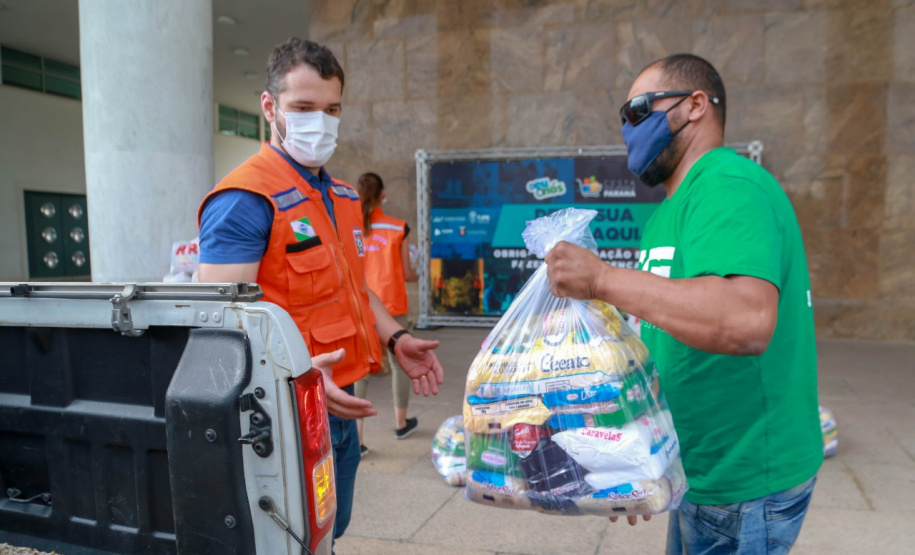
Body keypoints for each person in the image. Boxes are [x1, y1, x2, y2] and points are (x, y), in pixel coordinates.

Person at [545, 53, 822, 554]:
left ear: (696, 105)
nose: (628, 128)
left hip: (743, 486)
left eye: (638, 111)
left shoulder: (728, 183)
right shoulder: (671, 212)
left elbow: (744, 319)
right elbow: (667, 338)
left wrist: (603, 278)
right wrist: (640, 462)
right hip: (697, 473)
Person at [196, 38, 444, 542]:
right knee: (289, 538)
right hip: (278, 412)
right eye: (303, 108)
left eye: (332, 109)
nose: (321, 122)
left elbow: (354, 287)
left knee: (332, 527)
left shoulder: (342, 196)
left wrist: (397, 339)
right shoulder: (245, 198)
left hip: (339, 403)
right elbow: (219, 322)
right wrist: (303, 377)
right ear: (270, 107)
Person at [353, 172, 421, 454]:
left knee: (359, 370)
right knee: (399, 365)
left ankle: (357, 440)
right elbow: (407, 273)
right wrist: (417, 275)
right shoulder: (398, 228)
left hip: (359, 305)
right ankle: (400, 423)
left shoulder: (351, 227)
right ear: (383, 194)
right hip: (392, 307)